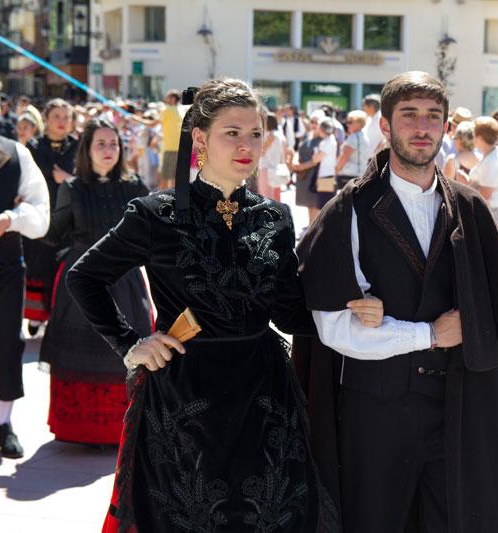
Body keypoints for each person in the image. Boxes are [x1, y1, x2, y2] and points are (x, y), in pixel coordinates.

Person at [67, 78, 381, 532]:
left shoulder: (274, 217)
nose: (246, 145)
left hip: (263, 394)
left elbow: (288, 312)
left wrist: (351, 310)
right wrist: (131, 344)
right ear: (200, 138)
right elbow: (84, 277)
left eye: (255, 133)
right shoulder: (154, 214)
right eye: (231, 133)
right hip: (185, 396)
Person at [295, 71, 498, 533]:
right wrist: (428, 335)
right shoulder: (348, 210)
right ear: (385, 126)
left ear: (447, 126)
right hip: (374, 417)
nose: (422, 128)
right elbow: (337, 330)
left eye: (432, 116)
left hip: (458, 408)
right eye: (409, 115)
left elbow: (495, 321)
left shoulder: (469, 208)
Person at [39, 119, 151, 445]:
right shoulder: (72, 188)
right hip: (82, 282)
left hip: (125, 281)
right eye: (100, 144)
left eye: (113, 144)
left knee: (126, 351)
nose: (108, 150)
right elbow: (54, 234)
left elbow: (152, 233)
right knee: (79, 352)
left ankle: (122, 429)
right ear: (87, 150)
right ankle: (82, 429)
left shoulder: (134, 187)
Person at [0, 74, 49, 458]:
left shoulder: (16, 153)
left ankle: (4, 426)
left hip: (6, 268)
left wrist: (8, 219)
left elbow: (41, 216)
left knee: (6, 344)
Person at [25, 98, 78, 334]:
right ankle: (36, 316)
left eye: (66, 117)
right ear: (46, 119)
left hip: (69, 218)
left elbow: (86, 178)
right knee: (39, 264)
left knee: (63, 267)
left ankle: (58, 316)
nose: (61, 121)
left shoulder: (77, 147)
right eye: (56, 116)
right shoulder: (34, 146)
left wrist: (68, 179)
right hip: (41, 216)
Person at [469, 116, 498, 228]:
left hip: (491, 211)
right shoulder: (491, 154)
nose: (472, 137)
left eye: (474, 134)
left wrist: (465, 184)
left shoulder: (493, 160)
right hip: (489, 209)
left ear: (480, 137)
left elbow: (485, 194)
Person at [292, 114, 323, 224]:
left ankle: (314, 228)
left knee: (316, 204)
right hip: (303, 175)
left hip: (315, 175)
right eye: (312, 122)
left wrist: (301, 167)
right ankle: (311, 226)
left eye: (316, 122)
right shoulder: (307, 135)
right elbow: (298, 150)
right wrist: (295, 161)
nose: (314, 124)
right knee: (308, 204)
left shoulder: (323, 139)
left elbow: (316, 160)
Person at [334, 109, 370, 190]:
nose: (347, 124)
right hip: (360, 174)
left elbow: (344, 157)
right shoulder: (364, 137)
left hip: (348, 175)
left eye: (350, 122)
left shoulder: (353, 138)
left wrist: (335, 171)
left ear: (359, 123)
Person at [257, 112, 286, 202]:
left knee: (265, 195)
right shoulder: (279, 134)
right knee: (275, 195)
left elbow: (262, 151)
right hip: (275, 167)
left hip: (266, 168)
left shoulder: (270, 135)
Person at [158, 89, 183, 189]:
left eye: (168, 97)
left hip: (170, 150)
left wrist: (136, 119)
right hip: (179, 149)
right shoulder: (180, 111)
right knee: (174, 178)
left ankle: (160, 198)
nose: (166, 98)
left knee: (165, 178)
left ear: (173, 99)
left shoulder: (168, 110)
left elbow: (152, 124)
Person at [312, 117, 338, 210]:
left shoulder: (328, 142)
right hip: (327, 175)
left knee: (324, 206)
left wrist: (315, 152)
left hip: (326, 176)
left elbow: (315, 159)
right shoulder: (329, 140)